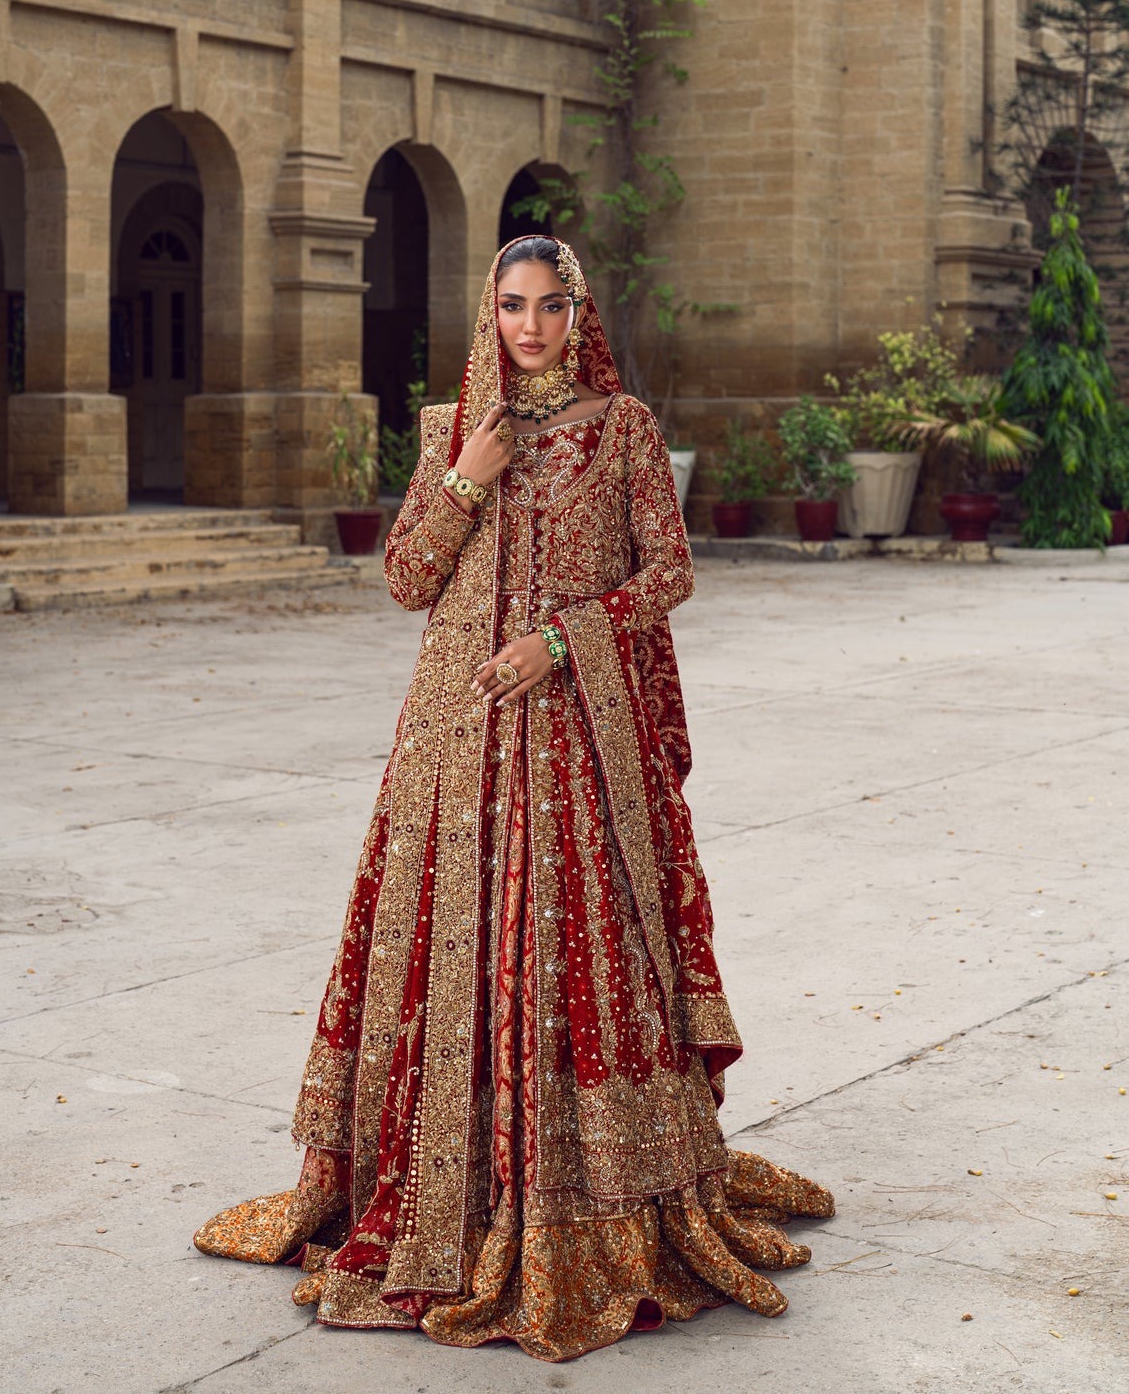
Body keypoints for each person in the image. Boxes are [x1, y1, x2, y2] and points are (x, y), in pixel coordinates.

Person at [193, 235, 833, 1362]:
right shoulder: (455, 429)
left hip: (575, 741)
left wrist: (558, 639)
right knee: (440, 955)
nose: (526, 325)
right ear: (485, 312)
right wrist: (463, 478)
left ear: (576, 310)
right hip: (449, 738)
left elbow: (668, 571)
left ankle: (584, 1195)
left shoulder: (621, 427)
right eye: (508, 305)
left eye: (546, 305)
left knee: (569, 953)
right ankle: (434, 1189)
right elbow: (405, 579)